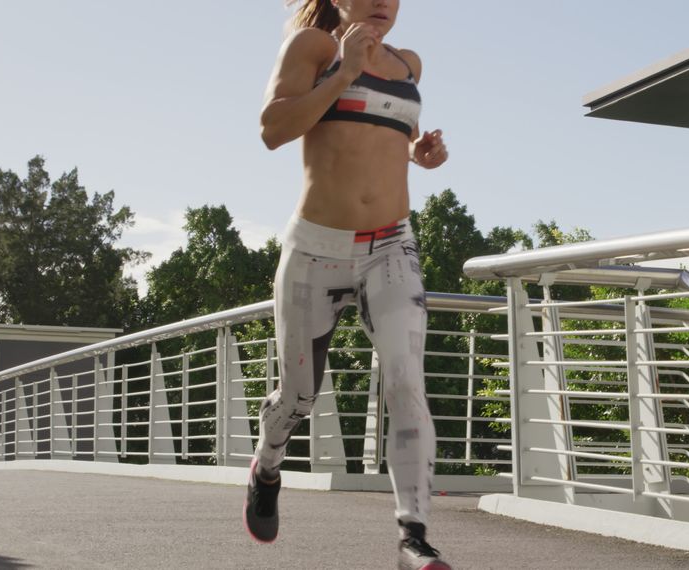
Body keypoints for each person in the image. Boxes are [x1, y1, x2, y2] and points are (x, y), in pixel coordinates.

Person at [242, 0, 450, 568]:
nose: (383, 3)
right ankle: (267, 464)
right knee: (298, 396)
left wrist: (419, 154)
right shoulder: (314, 48)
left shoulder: (409, 65)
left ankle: (414, 536)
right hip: (316, 248)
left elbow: (377, 136)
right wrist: (343, 72)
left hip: (391, 246)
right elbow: (272, 129)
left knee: (407, 382)